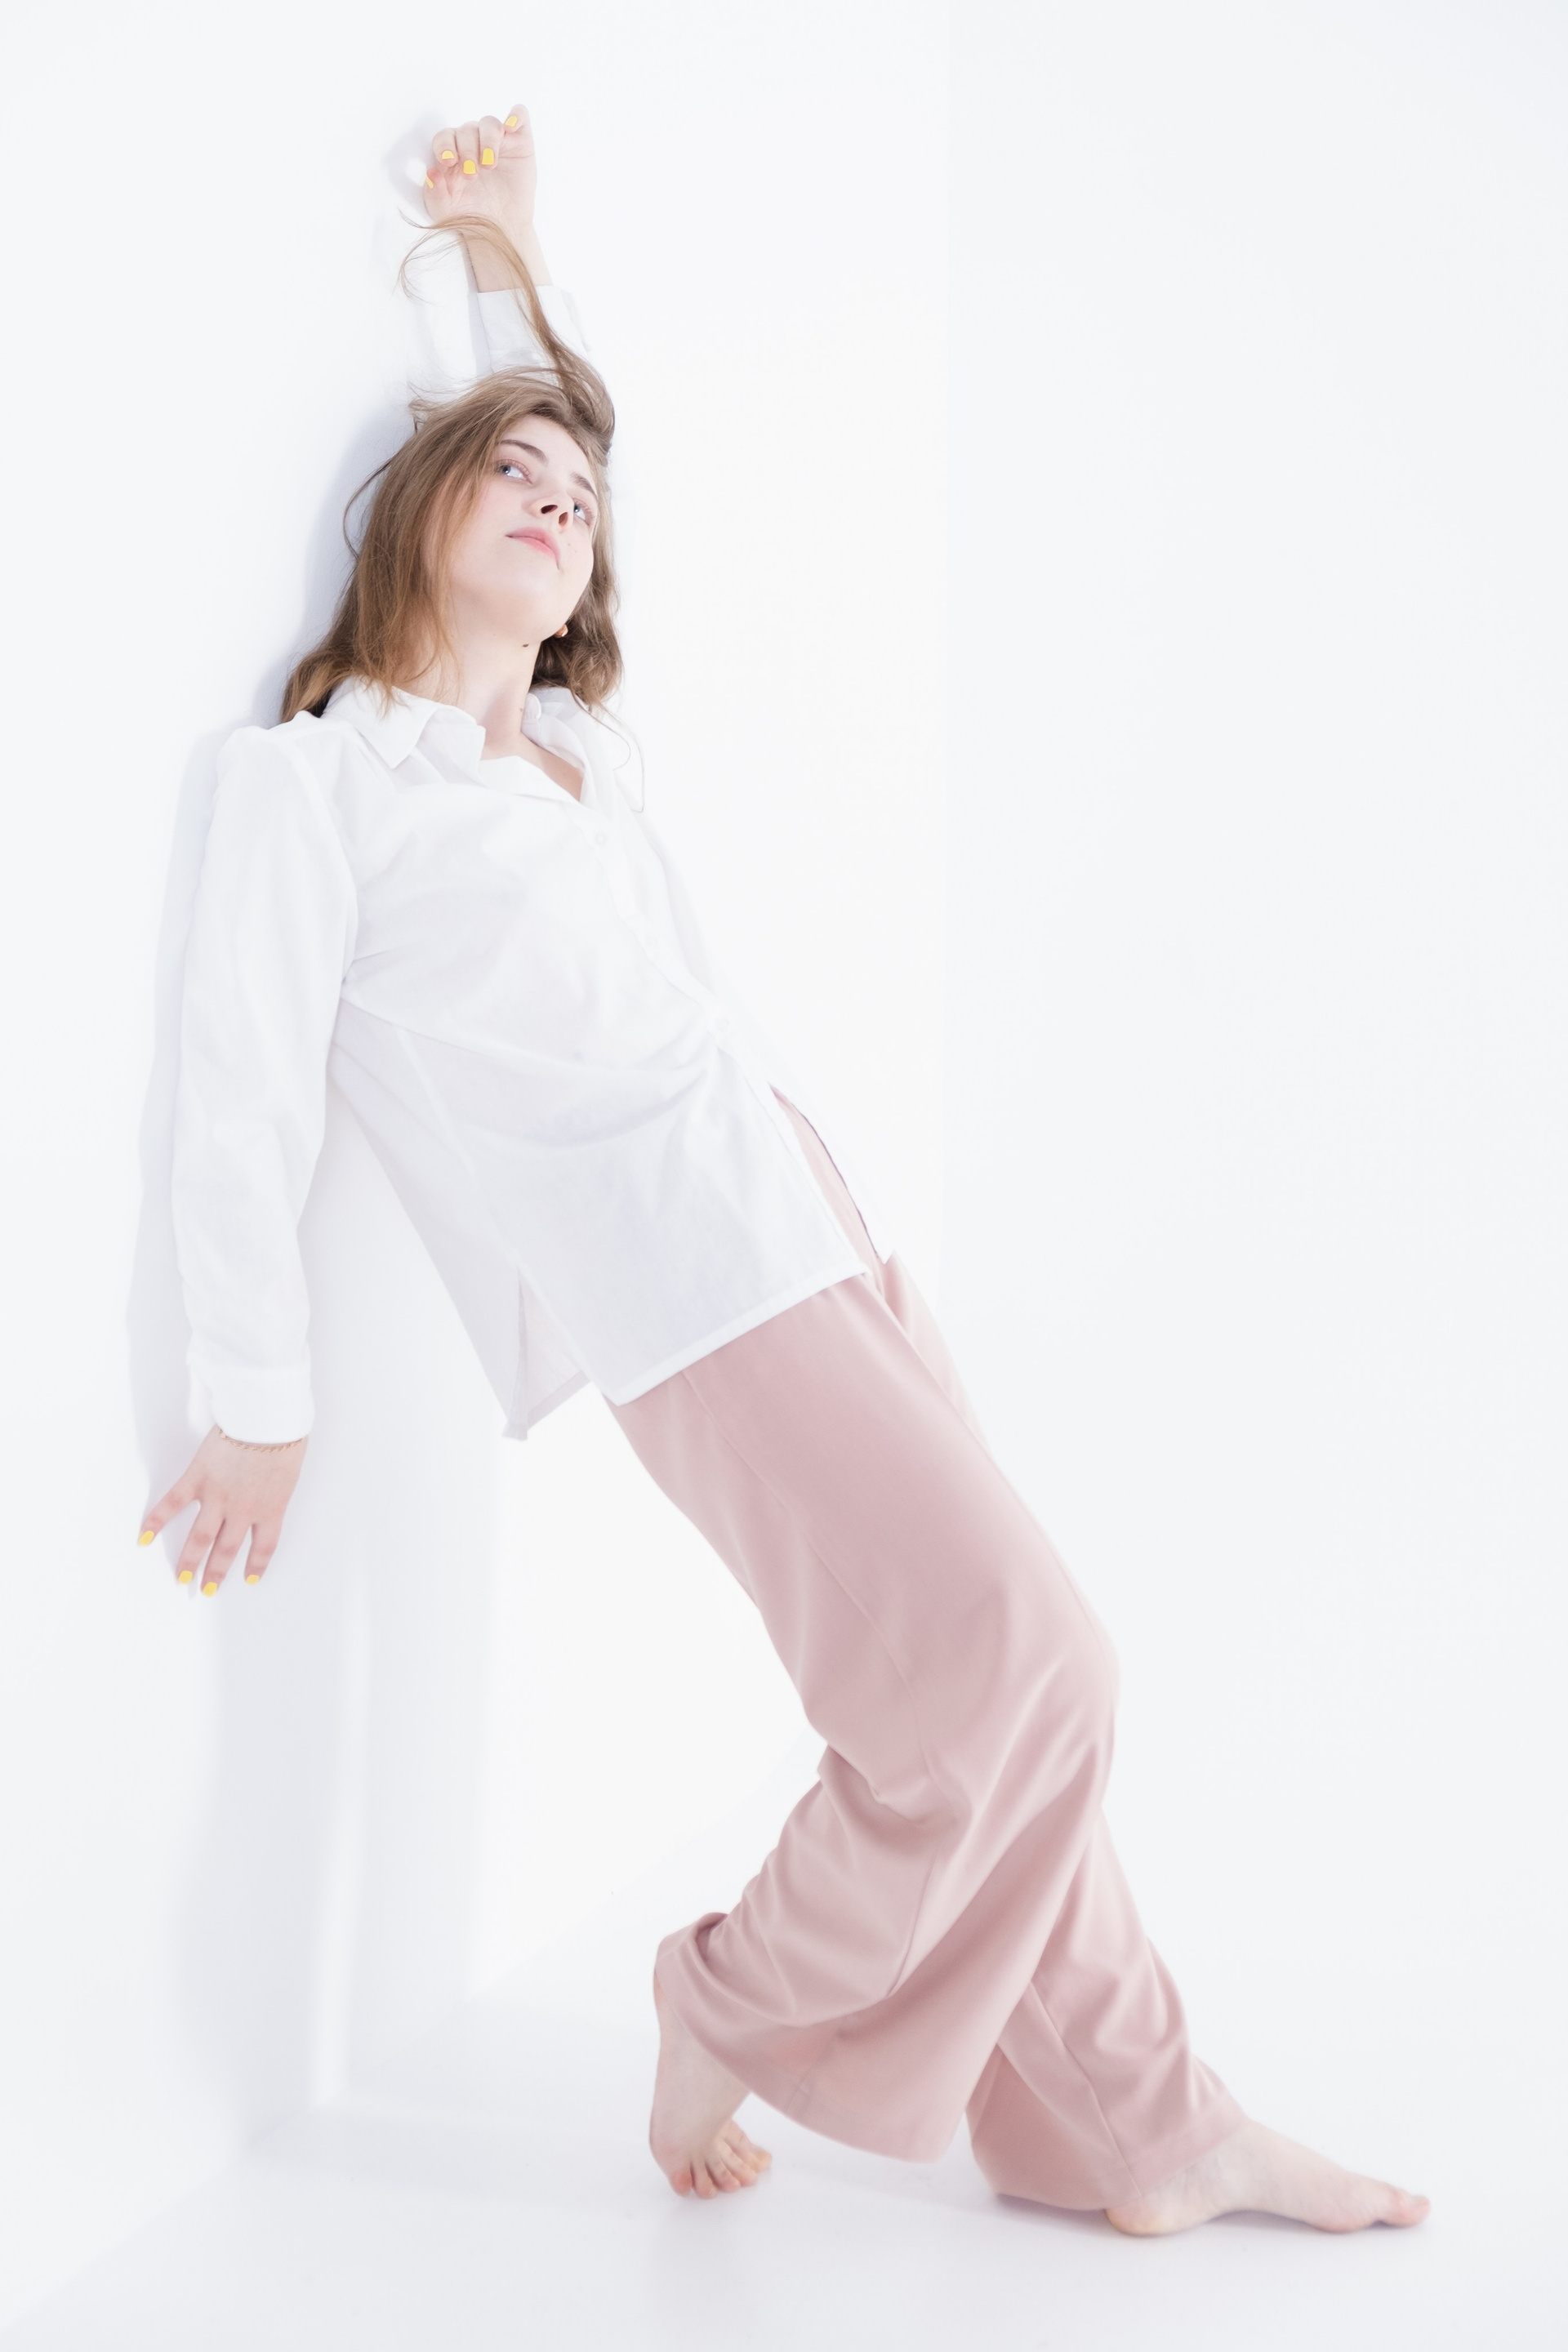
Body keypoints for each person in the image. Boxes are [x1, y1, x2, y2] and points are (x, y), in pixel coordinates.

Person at [138, 100, 1429, 2237]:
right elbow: (239, 1094)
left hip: (817, 1235)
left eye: (578, 500)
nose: (557, 503)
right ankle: (730, 1993)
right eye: (508, 477)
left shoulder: (571, 758)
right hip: (693, 1294)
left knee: (1002, 1715)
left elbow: (551, 447)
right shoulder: (327, 789)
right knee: (1032, 1668)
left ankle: (1137, 2122)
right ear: (421, 513)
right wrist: (255, 1399)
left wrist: (510, 259)